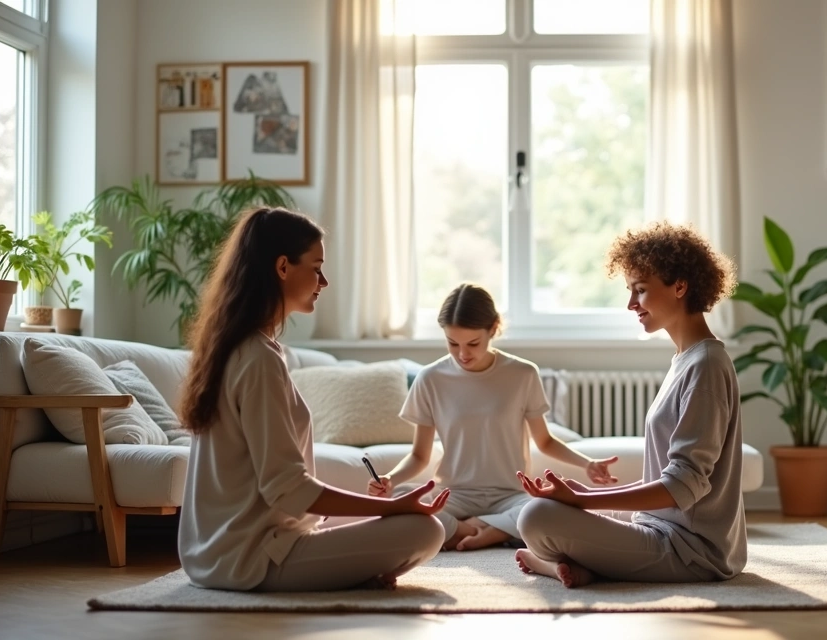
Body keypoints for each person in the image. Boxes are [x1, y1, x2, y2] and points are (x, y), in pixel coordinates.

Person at [177, 207, 449, 592]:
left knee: (400, 514)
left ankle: (355, 567)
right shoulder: (258, 360)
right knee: (424, 529)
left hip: (220, 553)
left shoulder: (235, 349)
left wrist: (387, 508)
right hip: (250, 559)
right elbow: (287, 489)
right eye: (317, 267)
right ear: (283, 267)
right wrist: (389, 507)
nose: (324, 281)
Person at [514, 221, 746, 588]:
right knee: (538, 513)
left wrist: (584, 502)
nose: (630, 304)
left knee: (536, 517)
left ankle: (563, 564)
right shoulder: (686, 360)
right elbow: (663, 481)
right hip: (658, 527)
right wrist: (585, 494)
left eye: (640, 290)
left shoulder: (706, 365)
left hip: (693, 551)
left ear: (680, 286)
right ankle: (583, 567)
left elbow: (684, 486)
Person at [368, 283, 619, 551]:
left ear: (494, 328)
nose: (463, 354)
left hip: (511, 496)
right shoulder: (430, 379)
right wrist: (390, 480)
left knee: (551, 507)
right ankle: (489, 530)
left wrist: (587, 464)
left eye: (473, 343)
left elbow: (544, 441)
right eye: (453, 343)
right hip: (454, 496)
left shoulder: (523, 374)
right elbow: (419, 455)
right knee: (401, 500)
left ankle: (470, 531)